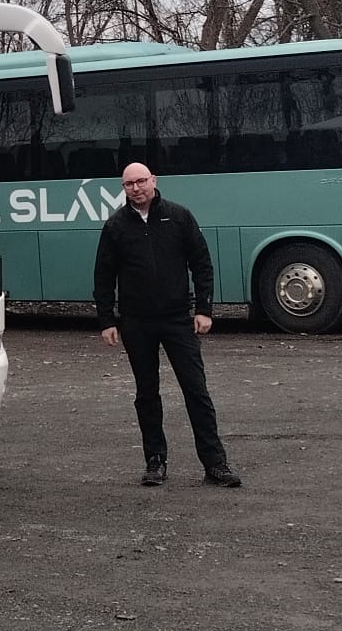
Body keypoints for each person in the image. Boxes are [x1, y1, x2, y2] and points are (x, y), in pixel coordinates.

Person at [93, 162, 242, 490]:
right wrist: (107, 320)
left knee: (196, 390)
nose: (136, 188)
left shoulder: (178, 216)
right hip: (136, 322)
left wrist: (204, 310)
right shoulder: (116, 226)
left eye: (141, 181)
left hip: (177, 319)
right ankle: (155, 461)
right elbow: (103, 276)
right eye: (129, 183)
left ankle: (215, 463)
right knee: (147, 394)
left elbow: (202, 264)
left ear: (154, 181)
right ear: (124, 187)